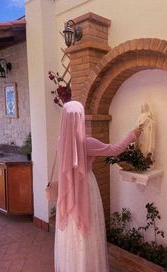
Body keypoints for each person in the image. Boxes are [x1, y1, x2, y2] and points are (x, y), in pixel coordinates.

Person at [54, 101, 141, 272]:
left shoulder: (60, 141)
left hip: (69, 191)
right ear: (80, 118)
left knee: (71, 232)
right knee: (88, 231)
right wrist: (132, 135)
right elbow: (115, 149)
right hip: (86, 188)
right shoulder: (87, 143)